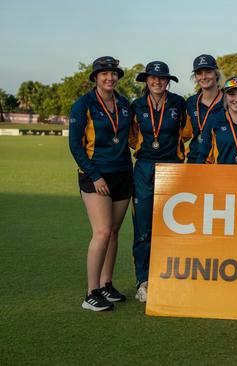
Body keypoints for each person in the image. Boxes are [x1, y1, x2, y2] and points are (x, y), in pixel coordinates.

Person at [69, 56, 132, 311]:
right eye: (104, 73)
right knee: (102, 232)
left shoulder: (125, 104)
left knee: (114, 233)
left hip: (123, 173)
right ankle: (91, 292)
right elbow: (75, 145)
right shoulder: (83, 105)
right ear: (95, 77)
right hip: (95, 175)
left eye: (114, 73)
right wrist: (95, 176)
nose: (110, 77)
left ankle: (106, 284)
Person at [129, 61, 186, 302]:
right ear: (146, 81)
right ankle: (143, 280)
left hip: (172, 168)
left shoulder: (178, 104)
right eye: (153, 78)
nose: (157, 82)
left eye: (162, 78)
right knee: (143, 228)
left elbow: (187, 132)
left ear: (168, 81)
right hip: (144, 168)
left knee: (171, 226)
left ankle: (168, 276)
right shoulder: (137, 106)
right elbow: (131, 136)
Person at [184, 54, 223, 164]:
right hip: (195, 159)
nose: (204, 77)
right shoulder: (191, 102)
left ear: (216, 74)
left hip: (219, 161)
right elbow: (183, 134)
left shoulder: (229, 102)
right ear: (195, 77)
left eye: (208, 72)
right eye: (199, 73)